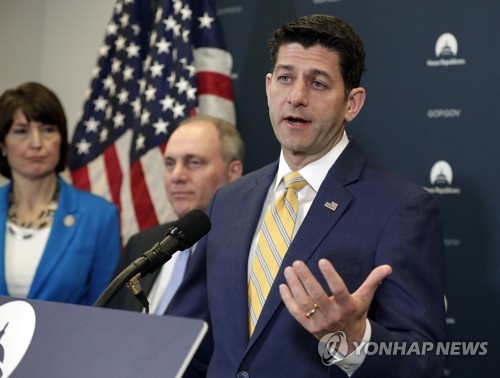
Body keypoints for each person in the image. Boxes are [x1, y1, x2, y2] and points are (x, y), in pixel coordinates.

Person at [167, 14, 445, 377]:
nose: (296, 97)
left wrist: (356, 341)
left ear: (352, 103)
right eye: (285, 78)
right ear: (269, 87)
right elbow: (193, 340)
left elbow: (424, 362)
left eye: (318, 83)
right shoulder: (229, 200)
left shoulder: (402, 209)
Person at [107, 115, 244, 314]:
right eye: (170, 163)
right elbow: (110, 325)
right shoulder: (141, 244)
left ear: (232, 173)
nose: (177, 176)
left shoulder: (246, 248)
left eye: (194, 162)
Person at [0, 82, 121, 306]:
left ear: (61, 138)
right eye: (21, 131)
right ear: (2, 144)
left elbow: (106, 311)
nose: (36, 143)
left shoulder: (99, 217)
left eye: (47, 130)